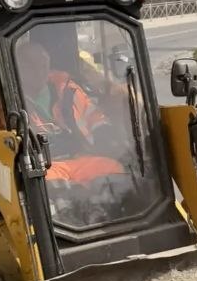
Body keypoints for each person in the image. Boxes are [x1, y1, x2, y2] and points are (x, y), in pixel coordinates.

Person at [15, 39, 123, 185]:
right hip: (47, 165)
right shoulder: (13, 101)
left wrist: (105, 134)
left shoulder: (68, 90)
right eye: (31, 66)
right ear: (19, 69)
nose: (39, 72)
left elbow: (93, 115)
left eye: (43, 65)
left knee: (115, 169)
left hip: (80, 157)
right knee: (45, 185)